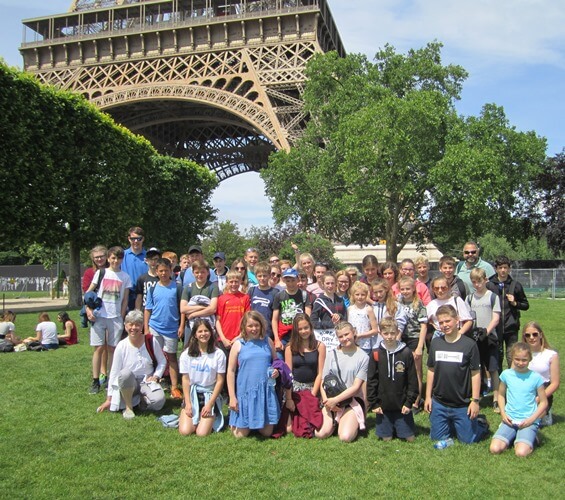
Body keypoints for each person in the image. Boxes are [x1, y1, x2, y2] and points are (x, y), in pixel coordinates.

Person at [425, 305, 488, 447]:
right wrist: (428, 397)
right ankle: (453, 424)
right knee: (436, 438)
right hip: (440, 402)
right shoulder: (436, 343)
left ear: (457, 320)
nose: (444, 325)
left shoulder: (469, 344)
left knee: (467, 441)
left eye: (448, 321)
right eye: (441, 323)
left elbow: (476, 374)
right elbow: (431, 370)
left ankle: (481, 423)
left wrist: (475, 401)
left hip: (462, 403)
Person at [96, 310, 166, 420]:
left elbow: (162, 361)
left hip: (146, 381)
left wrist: (156, 376)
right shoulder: (121, 346)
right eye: (130, 324)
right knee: (124, 374)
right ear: (125, 326)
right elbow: (114, 372)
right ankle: (129, 407)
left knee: (159, 402)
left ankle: (141, 401)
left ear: (142, 326)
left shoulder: (151, 341)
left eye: (137, 325)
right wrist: (109, 399)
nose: (133, 328)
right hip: (129, 383)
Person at [85, 246, 131, 395]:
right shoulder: (101, 273)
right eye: (112, 258)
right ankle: (95, 380)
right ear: (108, 258)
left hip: (115, 317)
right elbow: (89, 292)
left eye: (118, 258)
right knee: (98, 348)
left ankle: (111, 379)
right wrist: (88, 309)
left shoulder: (125, 277)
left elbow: (125, 299)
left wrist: (122, 317)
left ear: (122, 260)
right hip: (99, 316)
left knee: (112, 349)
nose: (115, 261)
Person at [227, 311, 280, 438]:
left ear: (261, 325)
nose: (254, 329)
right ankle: (239, 422)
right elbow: (231, 371)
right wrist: (232, 397)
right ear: (244, 327)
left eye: (256, 325)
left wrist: (276, 371)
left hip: (264, 389)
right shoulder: (238, 344)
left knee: (267, 433)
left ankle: (257, 421)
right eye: (250, 326)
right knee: (240, 435)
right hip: (246, 390)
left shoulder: (268, 341)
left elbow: (276, 362)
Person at [489, 342, 548, 457]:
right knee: (495, 449)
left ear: (530, 359)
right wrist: (503, 413)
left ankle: (532, 437)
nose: (520, 363)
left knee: (520, 453)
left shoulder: (535, 377)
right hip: (510, 420)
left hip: (528, 421)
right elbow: (501, 395)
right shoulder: (506, 375)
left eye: (524, 360)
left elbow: (544, 402)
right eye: (517, 359)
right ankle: (516, 436)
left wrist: (531, 419)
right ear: (512, 358)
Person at [367, 318, 419, 442]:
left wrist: (409, 402)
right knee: (387, 439)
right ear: (380, 333)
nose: (389, 337)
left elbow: (412, 379)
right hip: (383, 406)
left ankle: (401, 426)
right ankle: (389, 428)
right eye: (386, 333)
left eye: (392, 333)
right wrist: (374, 403)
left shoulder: (406, 353)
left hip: (402, 405)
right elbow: (371, 380)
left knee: (409, 439)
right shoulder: (376, 353)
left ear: (397, 332)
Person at [317, 321, 369, 442]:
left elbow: (356, 387)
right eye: (340, 336)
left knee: (345, 437)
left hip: (352, 400)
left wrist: (336, 400)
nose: (344, 338)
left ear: (354, 332)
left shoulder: (363, 357)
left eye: (347, 334)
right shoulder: (331, 354)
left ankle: (348, 421)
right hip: (330, 400)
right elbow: (323, 381)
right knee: (320, 434)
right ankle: (335, 421)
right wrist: (327, 402)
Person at [144, 258, 184, 400]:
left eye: (166, 270)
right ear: (156, 272)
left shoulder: (177, 287)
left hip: (171, 328)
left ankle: (174, 386)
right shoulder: (153, 288)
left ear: (171, 271)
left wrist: (181, 325)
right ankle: (155, 382)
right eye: (160, 271)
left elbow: (182, 309)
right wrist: (146, 328)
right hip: (155, 327)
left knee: (172, 357)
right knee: (155, 356)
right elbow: (148, 309)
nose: (163, 273)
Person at [178, 319, 226, 436]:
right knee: (185, 431)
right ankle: (189, 413)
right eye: (200, 331)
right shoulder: (186, 354)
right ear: (195, 334)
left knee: (201, 433)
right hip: (192, 394)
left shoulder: (219, 354)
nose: (203, 334)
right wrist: (188, 403)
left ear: (211, 332)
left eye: (206, 331)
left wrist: (209, 404)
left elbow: (220, 381)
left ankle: (212, 415)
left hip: (209, 395)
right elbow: (185, 379)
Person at [283, 314, 326, 438]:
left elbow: (320, 373)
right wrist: (289, 398)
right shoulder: (290, 348)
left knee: (313, 424)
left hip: (313, 387)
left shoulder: (320, 346)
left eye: (306, 327)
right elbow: (288, 375)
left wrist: (312, 394)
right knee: (289, 429)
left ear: (311, 327)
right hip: (295, 389)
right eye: (300, 329)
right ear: (296, 330)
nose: (303, 331)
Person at [467, 268, 501, 412]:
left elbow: (496, 318)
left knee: (493, 368)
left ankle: (497, 398)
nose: (477, 285)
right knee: (477, 367)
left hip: (490, 337)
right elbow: (467, 317)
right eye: (474, 282)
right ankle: (478, 395)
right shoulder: (469, 298)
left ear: (485, 280)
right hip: (475, 337)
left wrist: (486, 331)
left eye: (479, 281)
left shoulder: (492, 297)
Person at [486, 255, 529, 369]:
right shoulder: (489, 284)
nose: (503, 270)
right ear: (496, 268)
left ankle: (513, 380)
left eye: (505, 267)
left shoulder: (515, 285)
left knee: (512, 356)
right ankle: (499, 382)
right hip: (495, 327)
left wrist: (515, 303)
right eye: (500, 268)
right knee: (497, 355)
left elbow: (526, 305)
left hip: (511, 327)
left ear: (509, 268)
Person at [397, 276, 427, 410]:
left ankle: (417, 399)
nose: (405, 291)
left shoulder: (418, 303)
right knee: (402, 369)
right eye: (402, 289)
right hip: (401, 338)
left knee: (416, 370)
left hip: (415, 338)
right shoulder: (398, 301)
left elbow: (424, 325)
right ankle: (404, 397)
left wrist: (420, 346)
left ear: (414, 289)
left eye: (408, 288)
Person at [522, 321, 560, 426]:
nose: (531, 337)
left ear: (541, 335)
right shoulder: (520, 354)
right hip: (524, 391)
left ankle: (545, 413)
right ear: (524, 337)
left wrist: (539, 398)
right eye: (527, 335)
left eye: (535, 334)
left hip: (543, 391)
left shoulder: (551, 355)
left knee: (532, 420)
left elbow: (555, 384)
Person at [272, 268, 312, 356]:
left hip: (300, 334)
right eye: (288, 280)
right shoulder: (279, 296)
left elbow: (308, 316)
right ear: (284, 280)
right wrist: (277, 339)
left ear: (298, 279)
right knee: (280, 360)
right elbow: (274, 319)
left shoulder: (304, 295)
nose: (290, 283)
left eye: (293, 280)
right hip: (284, 335)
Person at [180, 259, 219, 342]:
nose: (200, 275)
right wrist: (202, 307)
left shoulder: (213, 287)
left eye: (202, 272)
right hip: (190, 325)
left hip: (208, 325)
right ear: (193, 273)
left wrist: (193, 314)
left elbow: (213, 309)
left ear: (208, 272)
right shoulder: (188, 288)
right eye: (197, 272)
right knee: (190, 350)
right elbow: (183, 309)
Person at [215, 270, 250, 356]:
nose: (234, 284)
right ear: (227, 282)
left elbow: (247, 320)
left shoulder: (245, 298)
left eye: (236, 282)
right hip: (224, 340)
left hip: (240, 338)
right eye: (231, 282)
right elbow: (217, 321)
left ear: (240, 282)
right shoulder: (221, 298)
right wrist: (223, 339)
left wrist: (239, 336)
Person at [121, 226, 148, 311]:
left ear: (143, 239)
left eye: (138, 239)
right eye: (133, 239)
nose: (136, 241)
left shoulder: (149, 256)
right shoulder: (122, 256)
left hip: (144, 294)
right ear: (129, 239)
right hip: (126, 294)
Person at [347, 281, 378, 355]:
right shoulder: (350, 309)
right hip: (352, 344)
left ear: (366, 295)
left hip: (365, 345)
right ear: (353, 295)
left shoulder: (368, 309)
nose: (360, 297)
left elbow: (375, 330)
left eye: (363, 295)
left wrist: (360, 336)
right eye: (357, 294)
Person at [371, 279, 407, 343]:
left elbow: (400, 324)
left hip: (392, 341)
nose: (378, 295)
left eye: (380, 291)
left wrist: (396, 340)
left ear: (386, 290)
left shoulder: (395, 305)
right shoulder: (373, 307)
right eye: (376, 292)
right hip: (376, 343)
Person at [248, 262, 277, 340]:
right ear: (256, 277)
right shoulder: (252, 290)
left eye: (265, 276)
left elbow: (276, 316)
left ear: (269, 276)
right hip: (253, 329)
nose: (262, 278)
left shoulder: (275, 292)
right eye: (259, 276)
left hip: (268, 330)